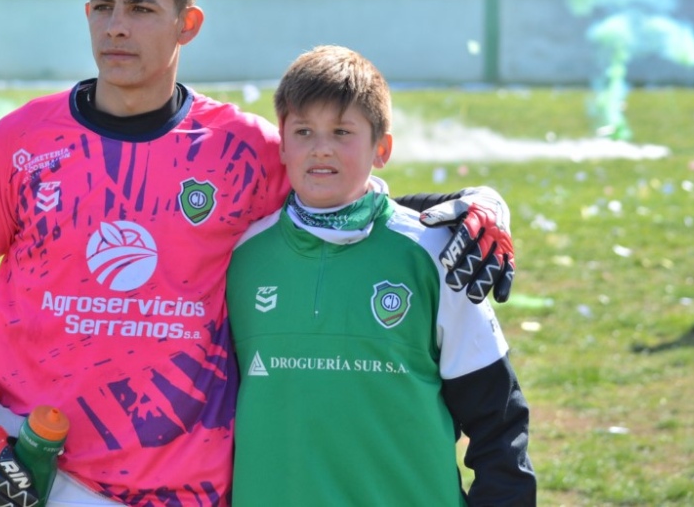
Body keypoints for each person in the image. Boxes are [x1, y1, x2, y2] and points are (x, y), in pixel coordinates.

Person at [0, 0, 518, 507]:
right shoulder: (23, 141)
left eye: (141, 9)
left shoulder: (241, 150)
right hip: (45, 473)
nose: (116, 27)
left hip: (194, 486)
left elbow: (344, 201)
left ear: (188, 24)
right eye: (102, 6)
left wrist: (477, 206)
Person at [226, 45, 535, 506]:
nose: (321, 147)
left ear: (382, 148)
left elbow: (498, 419)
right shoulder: (241, 256)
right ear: (283, 144)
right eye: (304, 131)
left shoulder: (436, 252)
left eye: (342, 131)